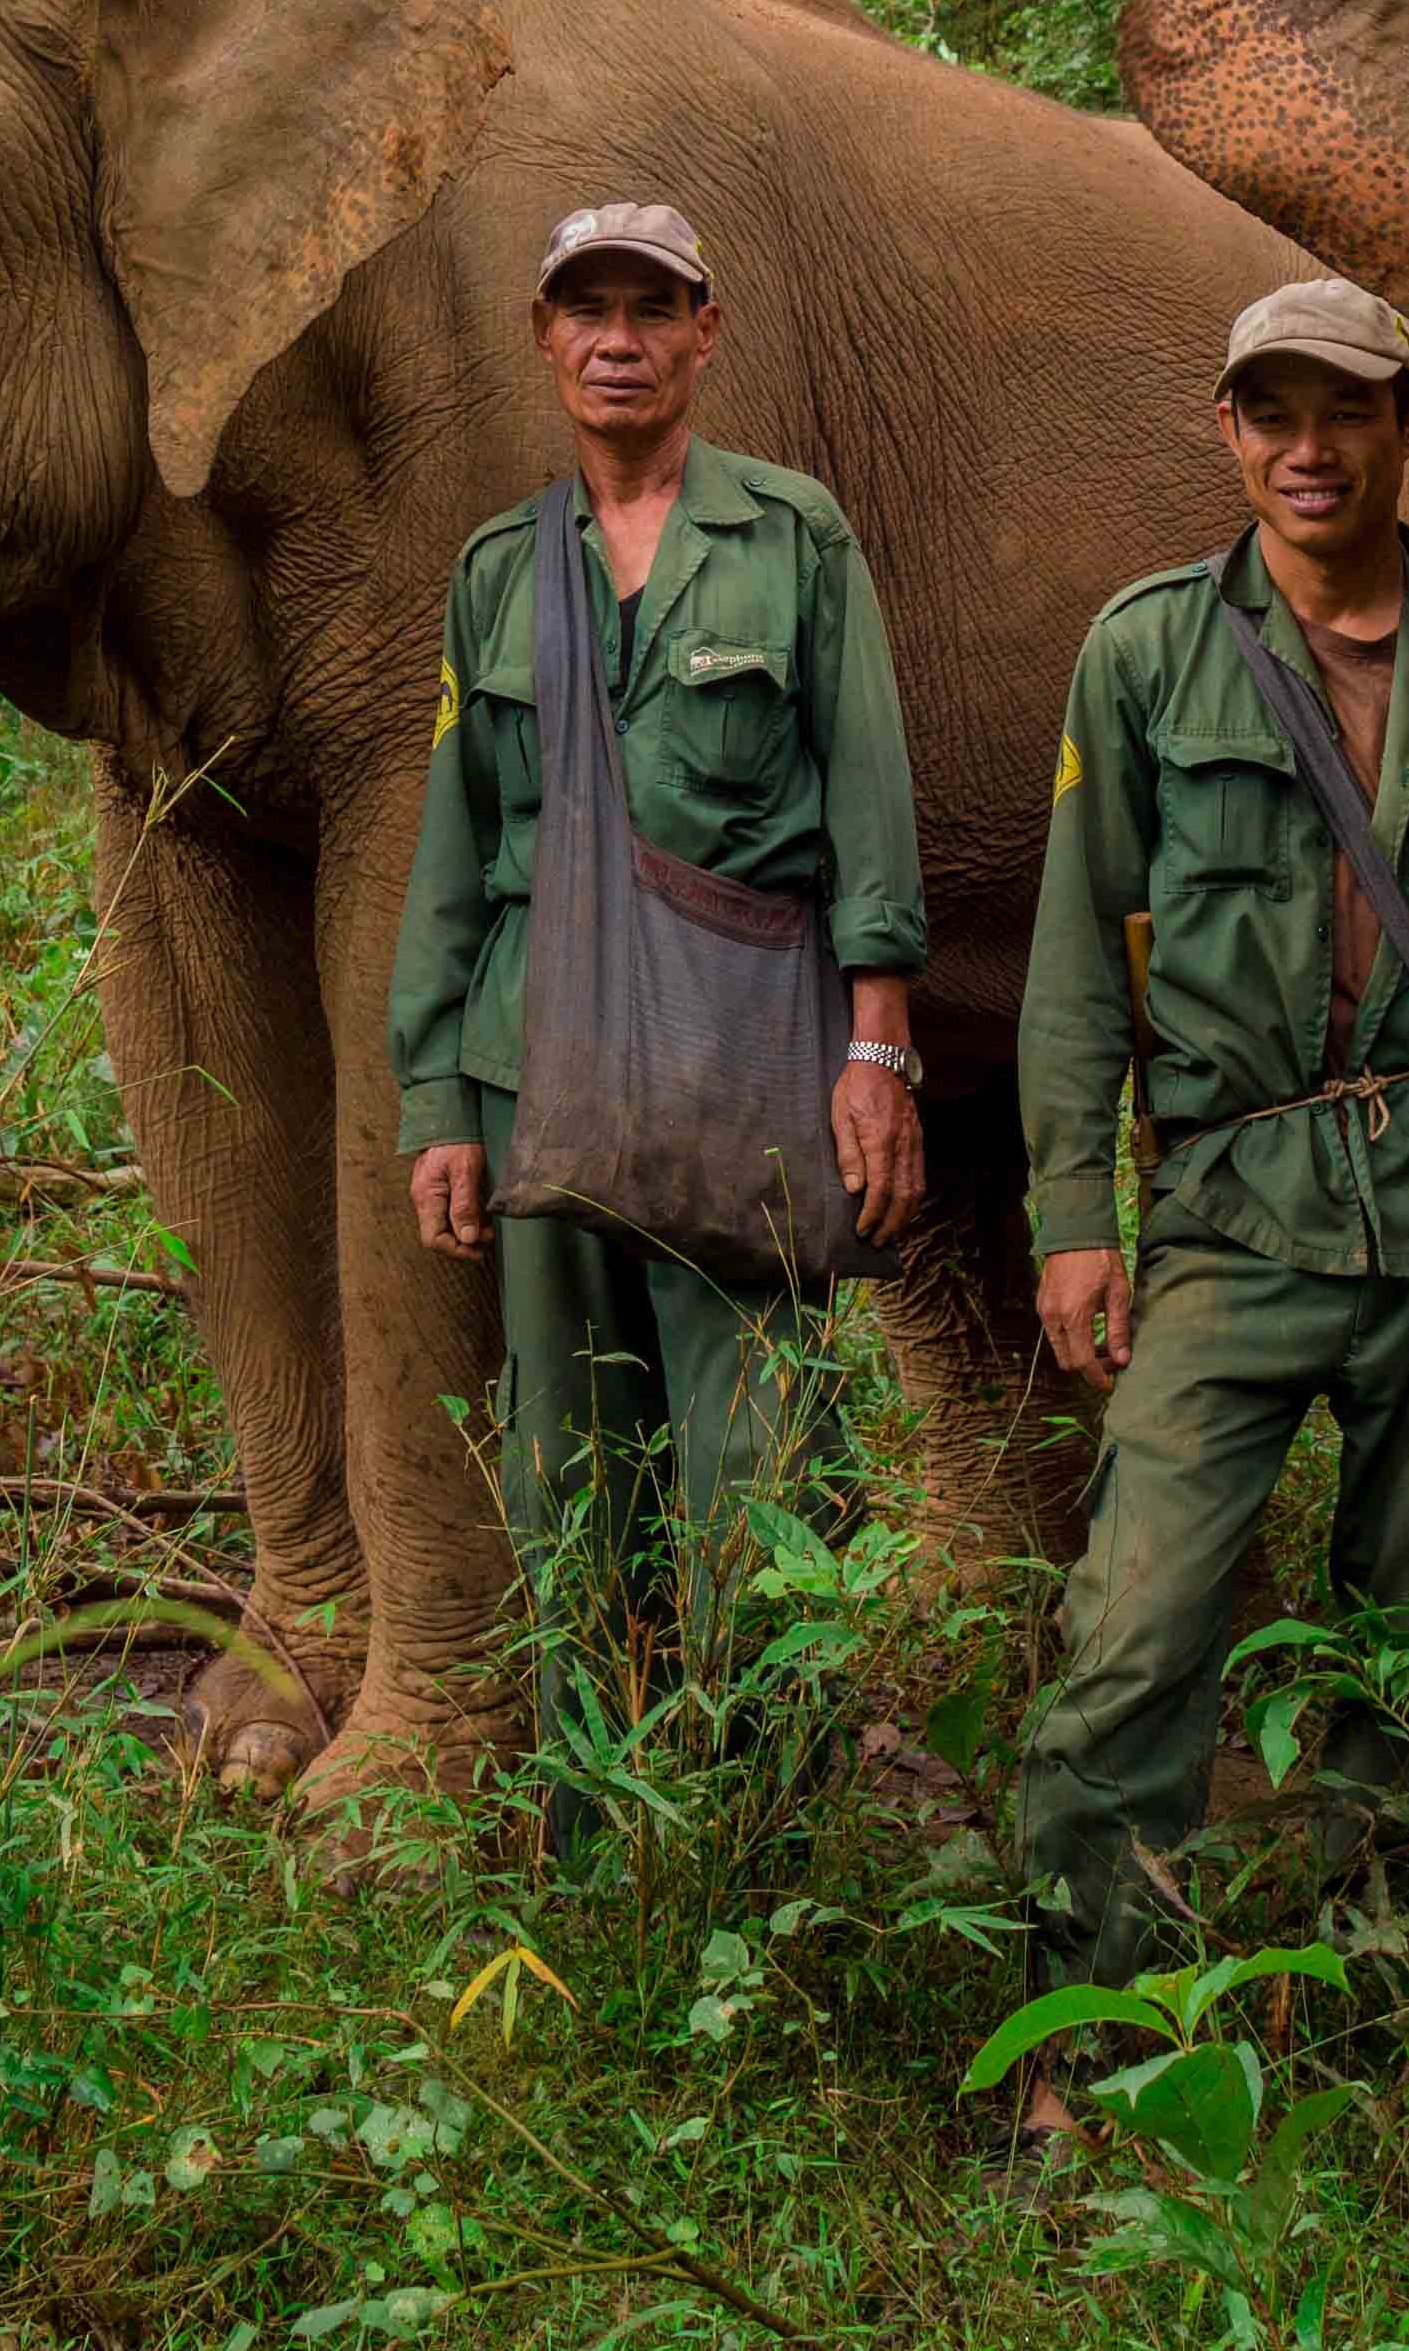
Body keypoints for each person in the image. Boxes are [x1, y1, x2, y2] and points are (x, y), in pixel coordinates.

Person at [1003, 275, 1409, 2121]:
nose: (1305, 448)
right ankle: (1085, 2041)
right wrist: (1071, 1214)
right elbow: (1071, 965)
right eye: (1269, 413)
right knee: (1135, 1636)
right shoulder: (1144, 660)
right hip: (1230, 1220)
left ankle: (1372, 2033)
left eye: (1342, 410)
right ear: (1227, 434)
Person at [391, 201, 934, 1829]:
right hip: (534, 1072)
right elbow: (449, 854)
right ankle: (603, 1851)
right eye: (587, 310)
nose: (618, 338)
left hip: (746, 1066)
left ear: (705, 333)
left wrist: (879, 1044)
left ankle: (767, 1842)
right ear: (545, 341)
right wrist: (436, 1103)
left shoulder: (793, 538)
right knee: (569, 1479)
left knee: (760, 1471)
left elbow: (868, 799)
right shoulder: (499, 573)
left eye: (652, 308)